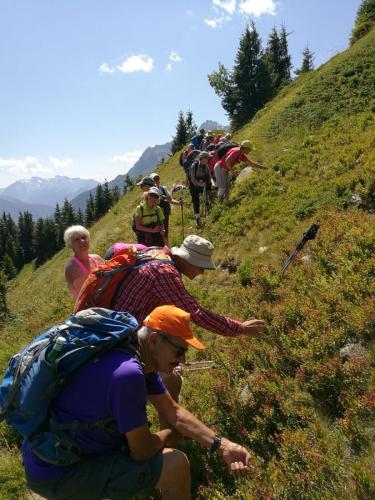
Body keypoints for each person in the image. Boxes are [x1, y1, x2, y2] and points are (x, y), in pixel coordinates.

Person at [23, 305, 252, 500]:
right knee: (175, 465)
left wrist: (223, 445)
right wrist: (170, 435)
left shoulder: (133, 352)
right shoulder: (129, 374)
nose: (183, 359)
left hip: (50, 454)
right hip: (59, 472)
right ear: (154, 340)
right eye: (180, 350)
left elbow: (172, 410)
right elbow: (141, 451)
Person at [114, 234, 264, 338]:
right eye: (200, 266)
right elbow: (196, 314)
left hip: (121, 322)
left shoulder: (158, 254)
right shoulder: (164, 272)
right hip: (124, 333)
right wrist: (240, 328)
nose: (202, 272)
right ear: (187, 259)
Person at [64, 225, 104, 299]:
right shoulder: (72, 269)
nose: (82, 241)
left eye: (84, 237)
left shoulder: (97, 258)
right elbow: (87, 296)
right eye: (76, 239)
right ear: (70, 244)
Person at [149, 173, 181, 246]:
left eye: (157, 179)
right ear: (151, 181)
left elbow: (170, 200)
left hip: (164, 216)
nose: (156, 181)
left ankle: (166, 249)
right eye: (154, 179)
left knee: (165, 232)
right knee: (156, 234)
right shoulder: (150, 192)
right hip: (154, 216)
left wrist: (179, 203)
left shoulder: (163, 189)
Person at [188, 152, 212, 228]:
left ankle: (208, 210)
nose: (208, 160)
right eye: (207, 158)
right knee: (196, 201)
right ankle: (198, 219)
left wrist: (211, 184)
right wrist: (200, 184)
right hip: (193, 185)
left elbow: (208, 176)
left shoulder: (206, 166)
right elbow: (193, 180)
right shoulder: (194, 166)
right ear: (202, 158)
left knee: (206, 196)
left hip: (202, 183)